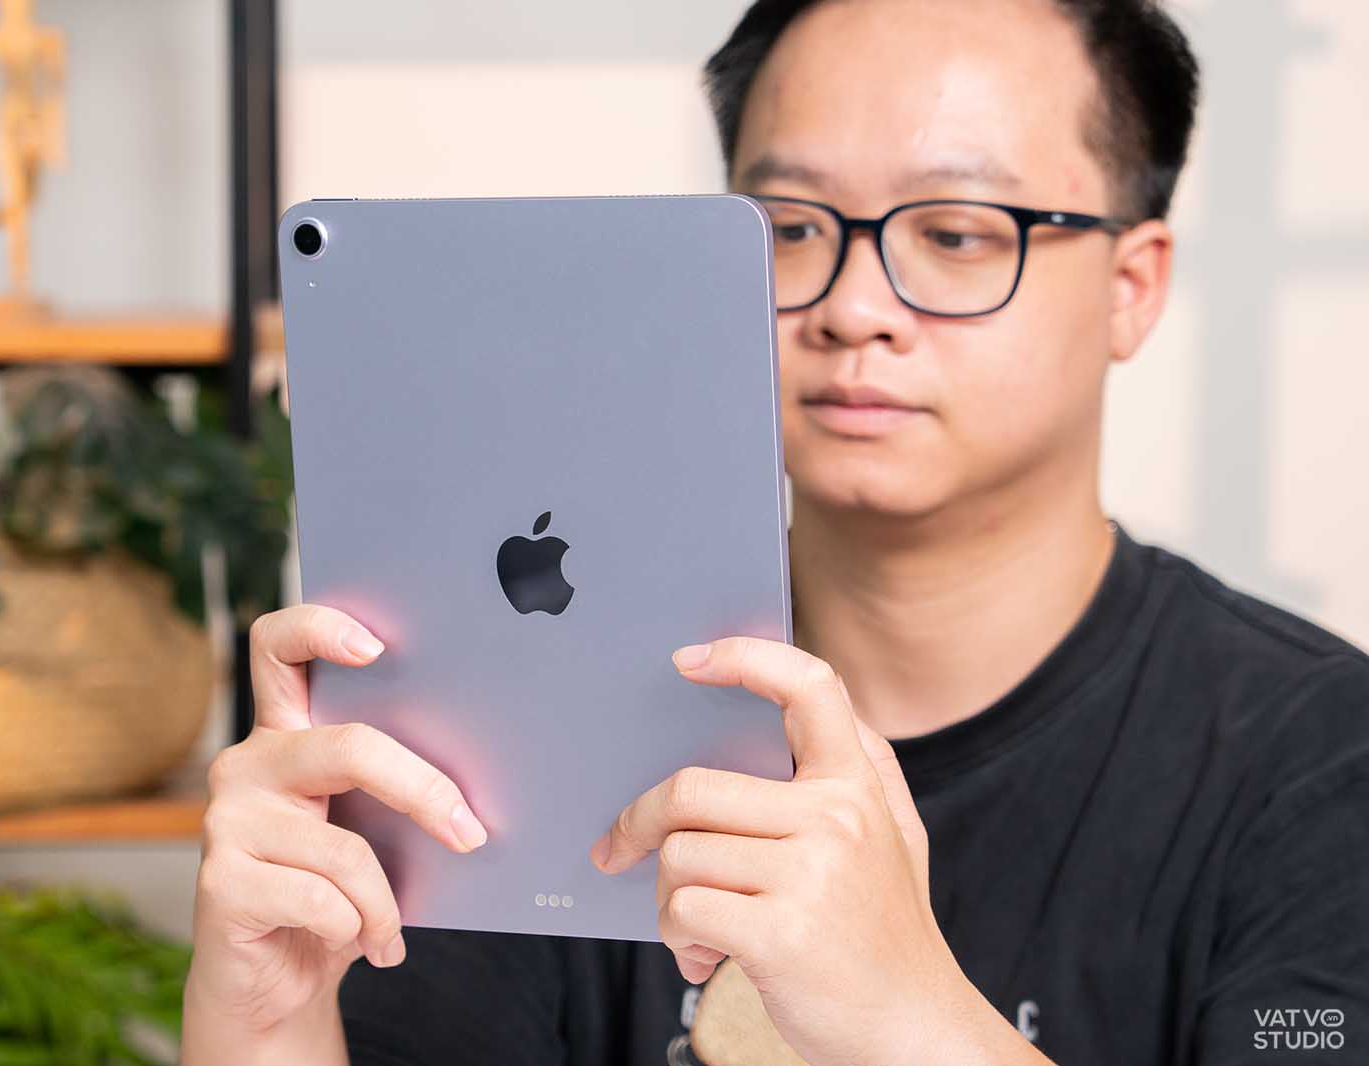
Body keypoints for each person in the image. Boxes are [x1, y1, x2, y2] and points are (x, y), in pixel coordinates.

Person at [180, 1, 1369, 1063]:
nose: (854, 308)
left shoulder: (1318, 757)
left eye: (957, 233)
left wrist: (911, 1021)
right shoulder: (516, 717)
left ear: (1131, 285)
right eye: (790, 228)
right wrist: (267, 1020)